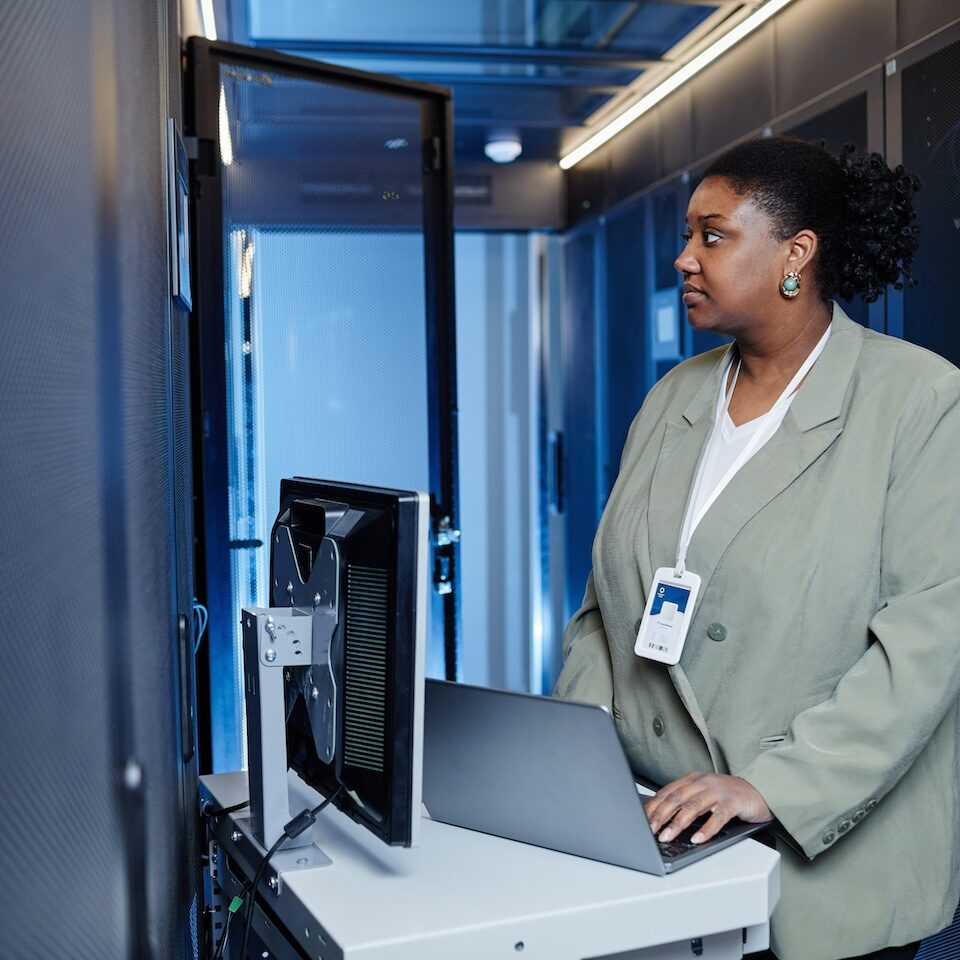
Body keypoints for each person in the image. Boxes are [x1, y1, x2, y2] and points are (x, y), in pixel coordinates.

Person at [554, 136, 960, 960]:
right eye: (687, 235)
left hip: (819, 869)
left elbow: (926, 646)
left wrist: (769, 788)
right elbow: (605, 608)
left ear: (795, 254)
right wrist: (581, 761)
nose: (683, 259)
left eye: (712, 235)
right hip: (656, 842)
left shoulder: (920, 401)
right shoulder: (673, 396)